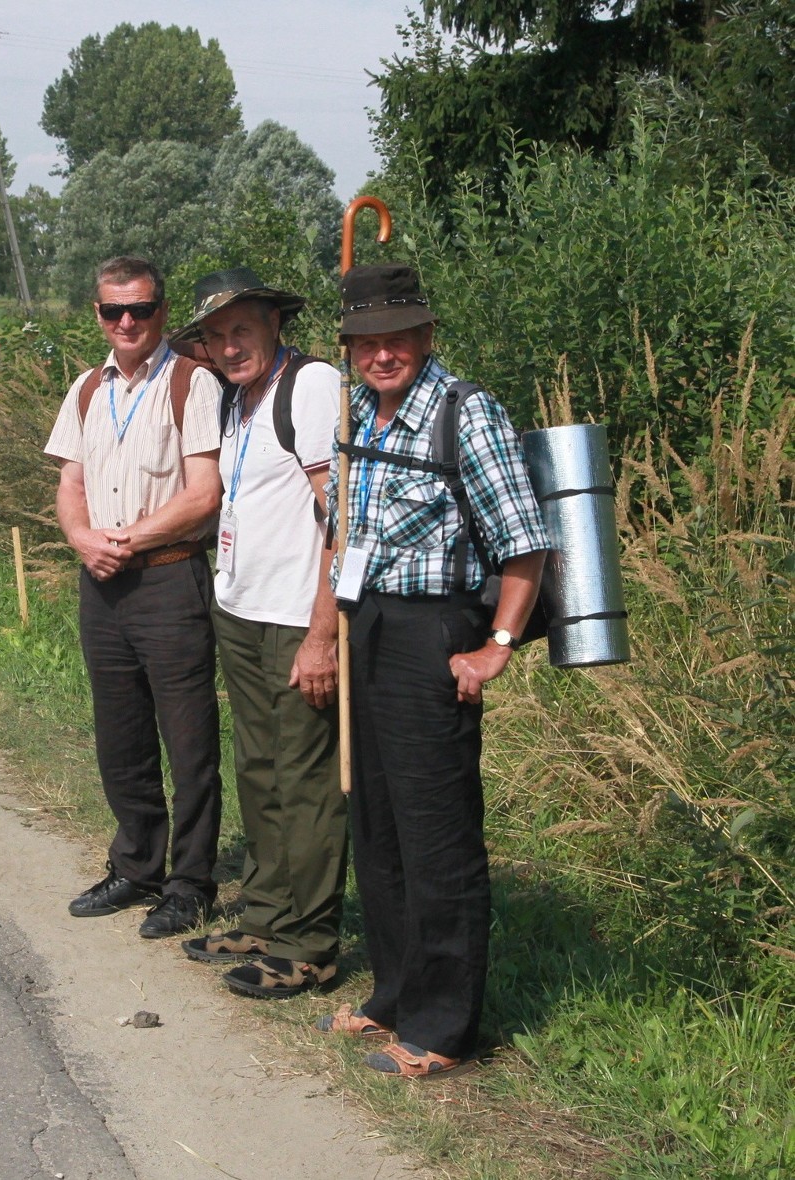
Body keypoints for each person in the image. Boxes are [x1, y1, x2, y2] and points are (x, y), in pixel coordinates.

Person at [314, 264, 550, 1076]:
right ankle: (395, 993)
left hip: (431, 634)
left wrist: (497, 647)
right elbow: (341, 525)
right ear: (349, 350)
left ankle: (447, 1026)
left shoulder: (466, 412)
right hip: (366, 622)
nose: (383, 355)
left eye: (398, 339)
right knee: (376, 822)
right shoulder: (359, 419)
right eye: (367, 343)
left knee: (436, 830)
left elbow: (524, 543)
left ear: (426, 337)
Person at [170, 268, 347, 998]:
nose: (228, 345)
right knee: (260, 768)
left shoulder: (308, 386)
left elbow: (337, 514)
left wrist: (322, 633)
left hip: (293, 619)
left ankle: (310, 943)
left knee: (304, 783)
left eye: (241, 328)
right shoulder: (240, 400)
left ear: (275, 323)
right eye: (215, 335)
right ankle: (268, 914)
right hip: (243, 611)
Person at [45, 255, 224, 938]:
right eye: (113, 310)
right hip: (103, 583)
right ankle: (137, 865)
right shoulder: (87, 388)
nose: (127, 322)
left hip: (170, 578)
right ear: (96, 313)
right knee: (119, 738)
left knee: (189, 742)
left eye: (141, 309)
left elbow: (204, 493)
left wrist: (125, 538)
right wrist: (82, 539)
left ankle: (190, 882)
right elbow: (70, 482)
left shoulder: (191, 383)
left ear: (162, 311)